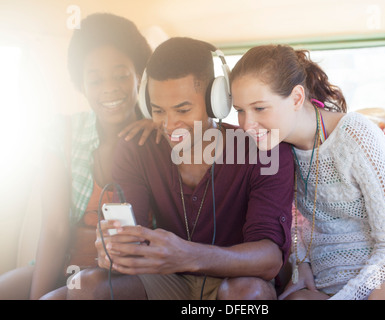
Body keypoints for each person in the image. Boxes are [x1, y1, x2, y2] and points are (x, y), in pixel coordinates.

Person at [42, 37, 294, 300]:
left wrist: (187, 255)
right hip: (167, 283)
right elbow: (129, 240)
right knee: (84, 285)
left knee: (248, 293)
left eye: (183, 109)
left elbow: (269, 259)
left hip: (233, 283)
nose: (170, 124)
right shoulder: (137, 150)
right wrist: (114, 250)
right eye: (158, 111)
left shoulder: (265, 150)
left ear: (216, 101)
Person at [229, 44, 385, 300]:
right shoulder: (276, 149)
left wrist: (347, 298)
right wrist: (301, 266)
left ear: (296, 98)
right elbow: (293, 226)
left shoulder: (355, 135)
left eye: (259, 108)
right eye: (240, 110)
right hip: (327, 286)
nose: (247, 124)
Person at [0, 13, 152, 300]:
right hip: (66, 263)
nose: (109, 88)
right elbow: (55, 228)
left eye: (121, 75)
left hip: (123, 275)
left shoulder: (156, 136)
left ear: (139, 76)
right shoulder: (64, 133)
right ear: (81, 84)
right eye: (95, 80)